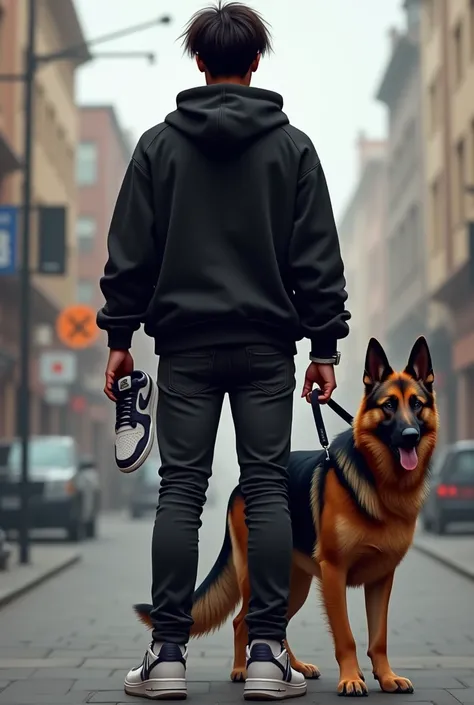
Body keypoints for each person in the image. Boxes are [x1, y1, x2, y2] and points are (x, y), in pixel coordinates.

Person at [97, 1, 350, 700]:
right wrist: (324, 347)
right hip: (269, 347)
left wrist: (120, 339)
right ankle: (268, 653)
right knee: (268, 486)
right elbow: (317, 261)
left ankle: (168, 655)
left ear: (200, 63)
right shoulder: (293, 147)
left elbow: (130, 255)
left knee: (182, 490)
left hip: (184, 347)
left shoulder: (158, 146)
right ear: (256, 63)